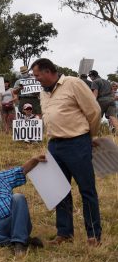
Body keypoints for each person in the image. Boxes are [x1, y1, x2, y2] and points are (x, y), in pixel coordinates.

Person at [32, 58, 102, 246]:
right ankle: (64, 233)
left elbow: (94, 111)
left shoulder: (73, 83)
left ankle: (94, 235)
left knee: (86, 189)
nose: (36, 79)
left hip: (77, 143)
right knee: (59, 190)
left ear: (48, 71)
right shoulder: (43, 92)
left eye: (37, 75)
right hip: (54, 145)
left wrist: (90, 137)